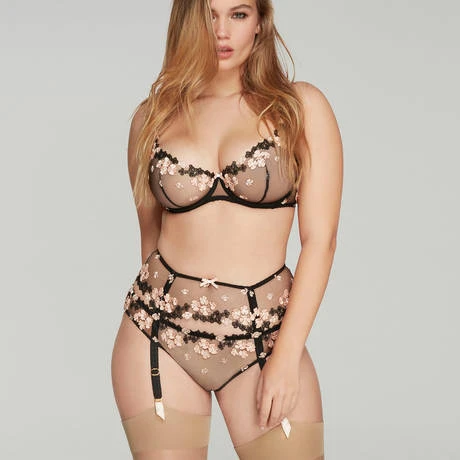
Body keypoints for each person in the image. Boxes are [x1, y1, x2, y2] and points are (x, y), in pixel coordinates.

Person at [111, 0, 343, 458]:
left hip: (264, 337)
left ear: (259, 22)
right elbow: (150, 242)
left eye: (238, 14)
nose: (221, 31)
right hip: (159, 335)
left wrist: (286, 357)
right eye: (208, 15)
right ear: (186, 22)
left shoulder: (299, 108)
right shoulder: (151, 118)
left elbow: (321, 241)